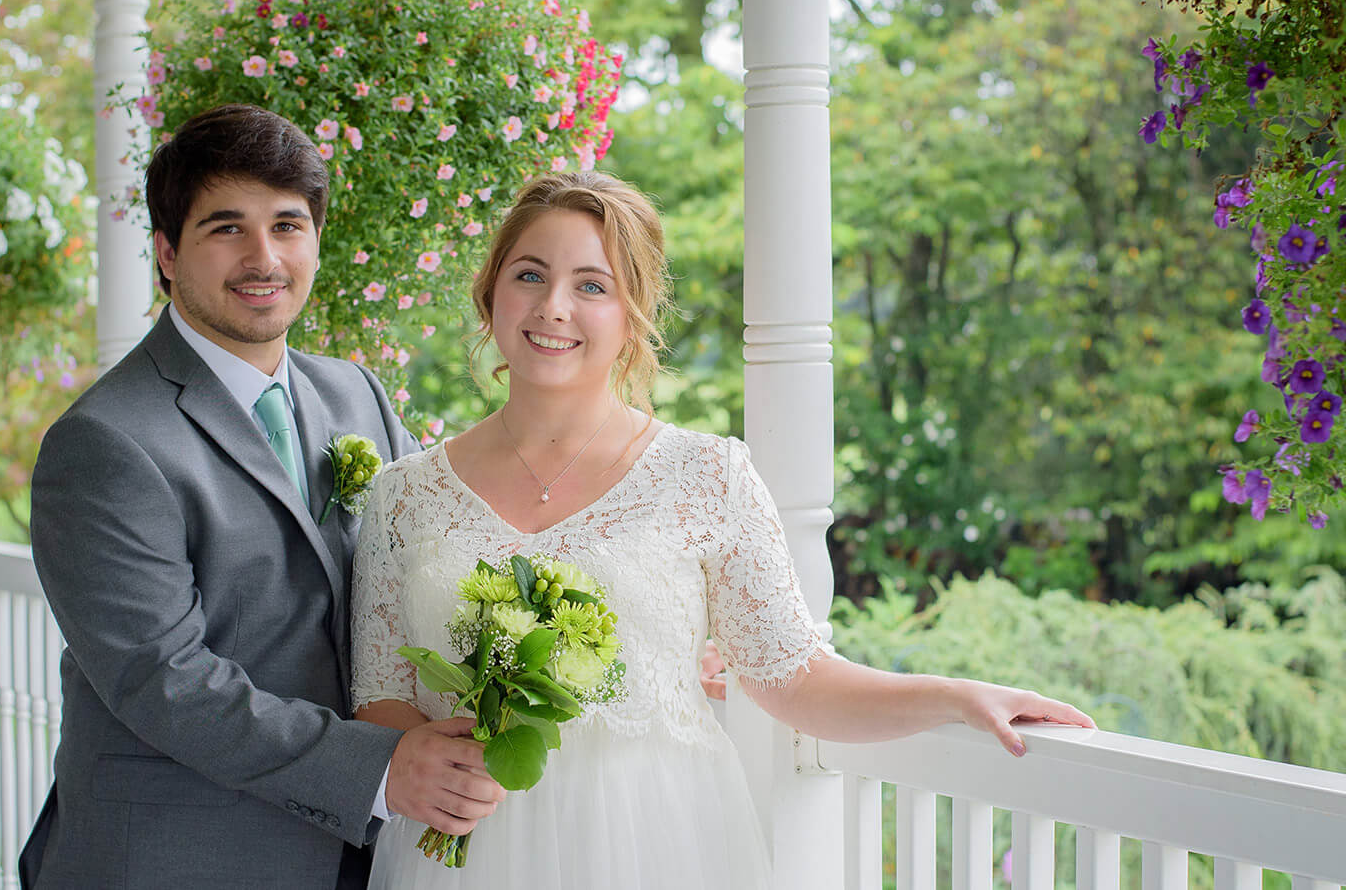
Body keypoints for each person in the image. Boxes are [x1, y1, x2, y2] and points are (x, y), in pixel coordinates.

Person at [349, 171, 1095, 889]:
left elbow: (798, 679)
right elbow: (381, 699)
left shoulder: (708, 477)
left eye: (592, 285)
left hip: (655, 846)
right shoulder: (403, 495)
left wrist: (956, 695)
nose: (554, 307)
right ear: (491, 292)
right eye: (530, 275)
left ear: (632, 315)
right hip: (466, 851)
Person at [19, 104, 504, 890]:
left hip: (357, 853)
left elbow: (437, 558)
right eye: (226, 228)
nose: (263, 256)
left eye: (288, 224)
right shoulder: (105, 443)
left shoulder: (356, 395)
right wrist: (382, 768)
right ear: (167, 254)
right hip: (180, 857)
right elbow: (164, 679)